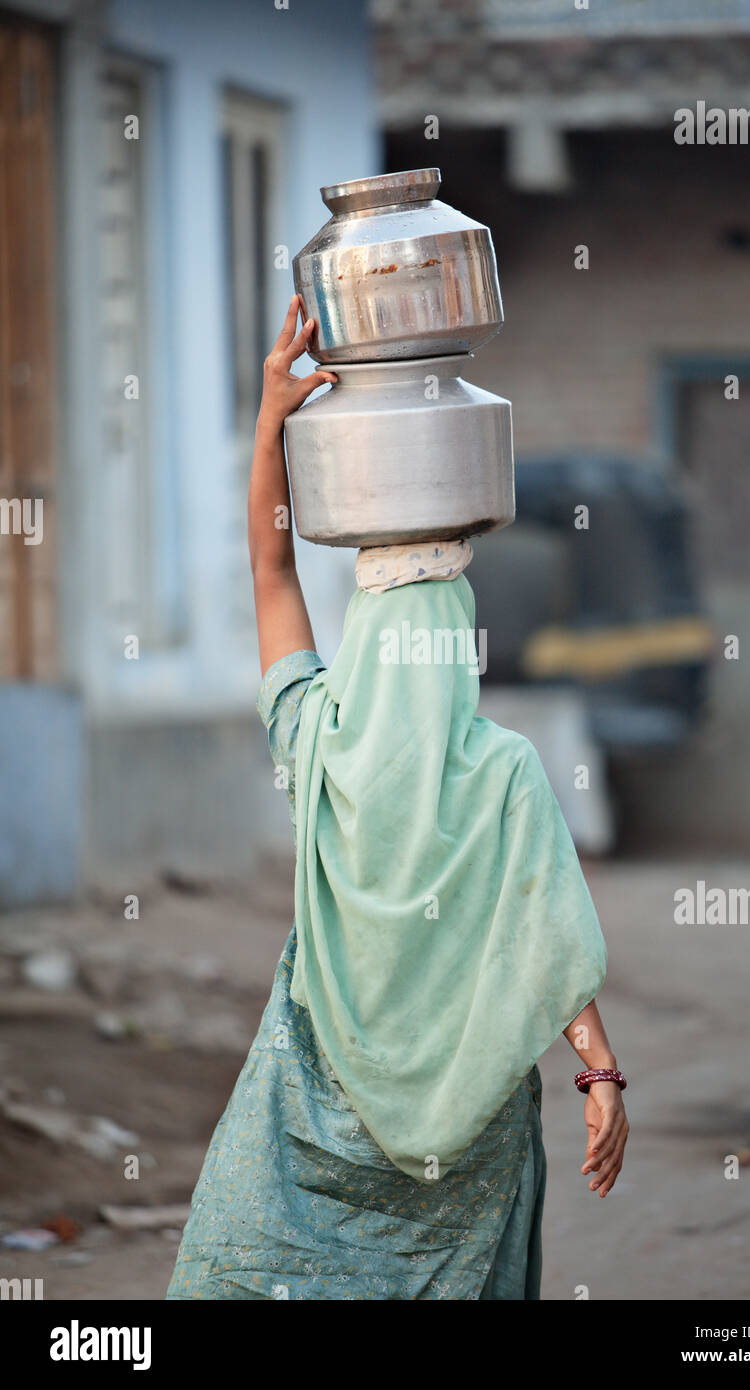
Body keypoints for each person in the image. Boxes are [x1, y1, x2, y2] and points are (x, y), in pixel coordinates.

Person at [166, 298, 628, 1302]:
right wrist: (598, 1075)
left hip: (311, 1117)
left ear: (369, 638)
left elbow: (270, 564)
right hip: (469, 1141)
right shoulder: (502, 769)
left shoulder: (317, 737)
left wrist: (268, 417)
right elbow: (547, 935)